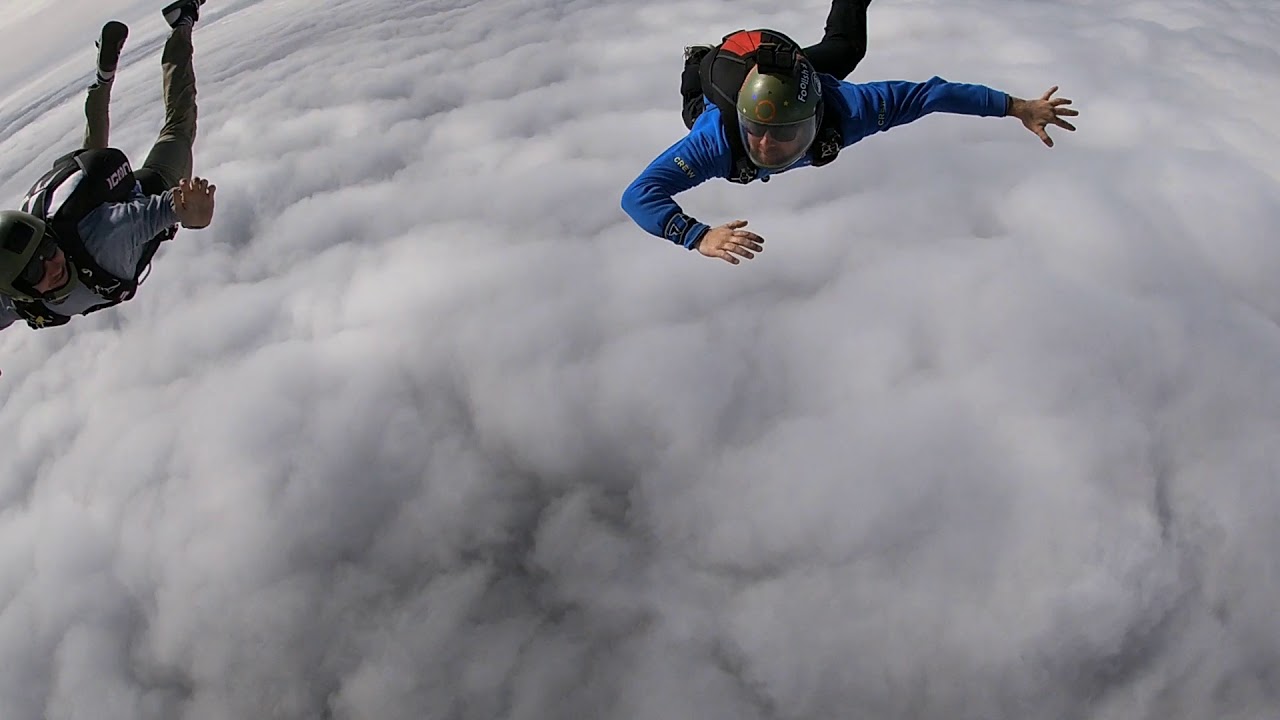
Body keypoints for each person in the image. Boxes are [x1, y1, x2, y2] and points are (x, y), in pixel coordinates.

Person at [620, 0, 1080, 265]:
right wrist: (695, 235)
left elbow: (931, 95)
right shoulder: (717, 139)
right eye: (756, 131)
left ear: (817, 114)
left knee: (846, 49)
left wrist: (1018, 107)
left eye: (784, 134)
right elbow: (639, 195)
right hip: (727, 84)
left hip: (802, 81)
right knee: (695, 106)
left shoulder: (851, 110)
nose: (766, 146)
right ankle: (697, 60)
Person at [0, 0, 217, 339]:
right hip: (81, 204)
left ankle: (183, 20)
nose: (52, 264)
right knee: (93, 149)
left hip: (135, 196)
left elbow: (170, 209)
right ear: (16, 291)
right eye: (32, 270)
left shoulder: (109, 239)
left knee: (179, 126)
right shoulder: (13, 301)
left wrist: (192, 212)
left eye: (46, 248)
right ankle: (102, 79)